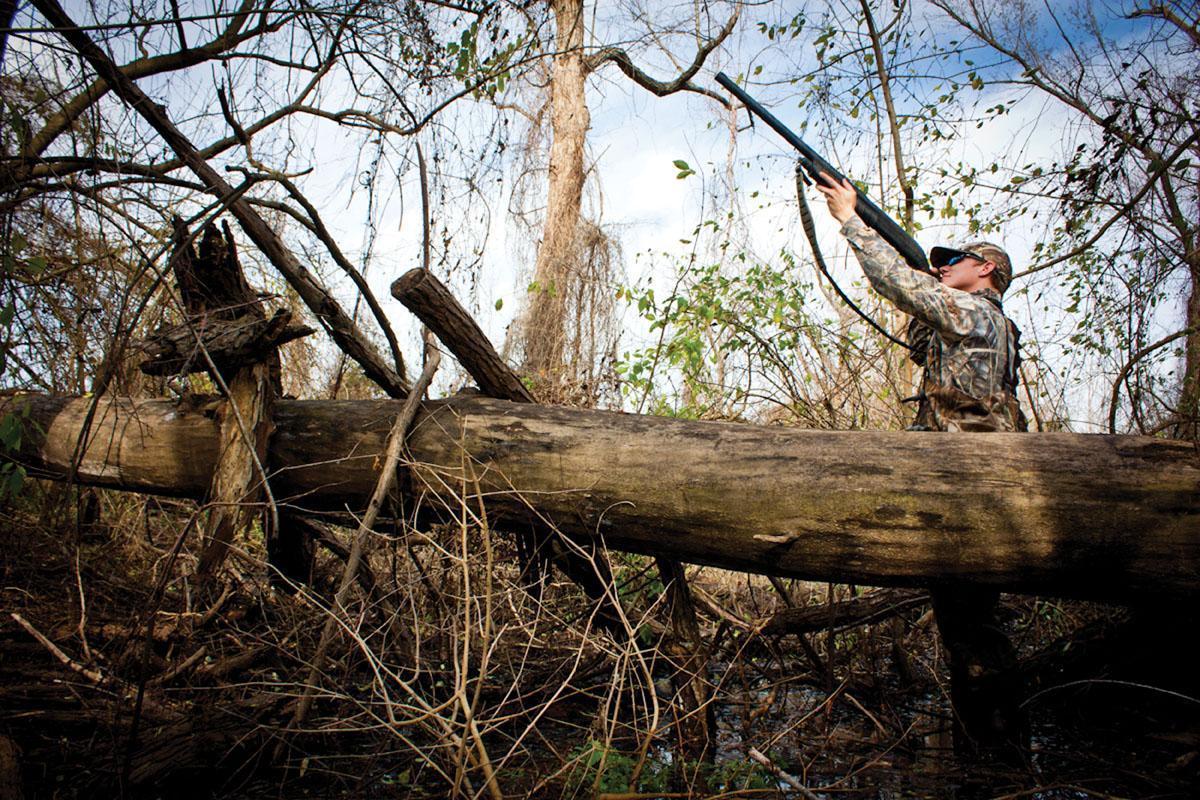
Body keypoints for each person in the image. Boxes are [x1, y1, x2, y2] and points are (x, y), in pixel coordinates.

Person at [814, 173, 1027, 754]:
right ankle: (983, 751)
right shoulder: (973, 323)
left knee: (976, 629)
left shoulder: (977, 312)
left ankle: (1000, 754)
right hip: (956, 489)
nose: (943, 267)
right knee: (964, 626)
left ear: (985, 270)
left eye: (954, 260)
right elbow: (918, 328)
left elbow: (900, 286)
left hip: (971, 492)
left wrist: (853, 222)